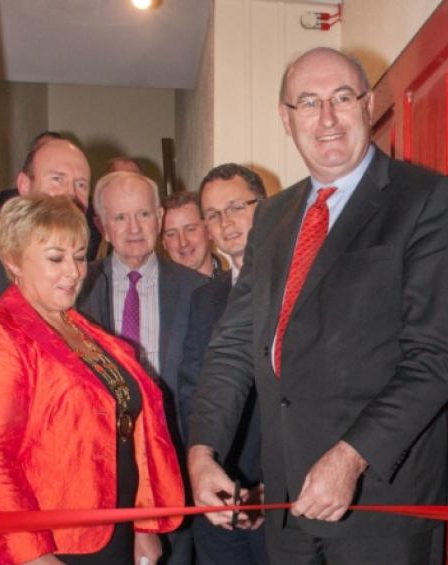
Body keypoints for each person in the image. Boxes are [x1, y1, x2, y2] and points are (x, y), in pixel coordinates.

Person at [187, 47, 448, 565]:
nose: (327, 118)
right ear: (286, 118)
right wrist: (203, 453)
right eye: (309, 102)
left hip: (381, 501)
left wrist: (350, 456)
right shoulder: (272, 217)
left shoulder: (426, 199)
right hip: (289, 507)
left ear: (368, 105)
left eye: (342, 98)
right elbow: (233, 347)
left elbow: (435, 357)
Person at [0, 195, 183, 565]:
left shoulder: (83, 330)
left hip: (111, 532)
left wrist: (143, 525)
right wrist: (31, 554)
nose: (74, 272)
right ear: (13, 260)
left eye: (79, 257)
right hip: (50, 543)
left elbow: (128, 431)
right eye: (55, 258)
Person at [78, 172, 208, 565]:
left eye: (143, 215)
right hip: (99, 470)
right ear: (100, 225)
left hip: (175, 464)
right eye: (119, 218)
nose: (134, 229)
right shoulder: (76, 289)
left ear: (159, 216)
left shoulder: (198, 291)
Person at [178, 164, 268, 565]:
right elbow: (192, 390)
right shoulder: (204, 298)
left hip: (283, 499)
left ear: (264, 209)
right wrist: (204, 469)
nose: (225, 222)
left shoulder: (299, 288)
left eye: (236, 207)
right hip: (215, 496)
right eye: (212, 215)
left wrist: (271, 485)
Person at [0, 136, 91, 310]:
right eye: (57, 179)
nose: (70, 193)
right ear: (25, 185)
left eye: (81, 184)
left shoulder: (95, 269)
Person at [161, 191, 221, 278]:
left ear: (209, 231)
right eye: (171, 234)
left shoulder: (237, 287)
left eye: (191, 229)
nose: (183, 243)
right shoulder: (155, 290)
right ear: (164, 243)